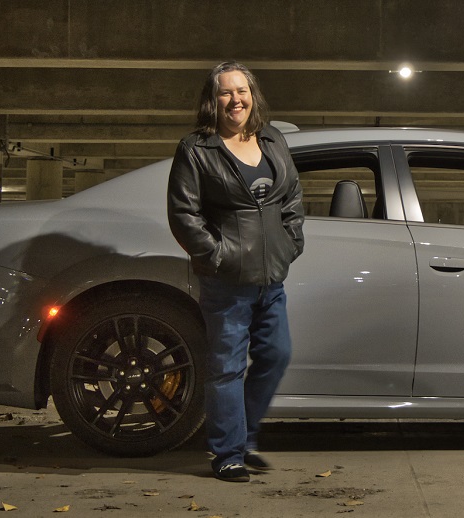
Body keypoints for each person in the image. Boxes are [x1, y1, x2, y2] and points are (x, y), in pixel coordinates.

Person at [166, 61, 304, 482]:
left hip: (270, 279)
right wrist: (217, 256)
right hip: (226, 282)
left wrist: (291, 242)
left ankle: (244, 438)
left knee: (276, 355)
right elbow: (183, 214)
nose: (235, 99)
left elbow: (292, 198)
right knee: (226, 366)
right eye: (225, 93)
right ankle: (227, 453)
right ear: (213, 100)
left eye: (241, 91)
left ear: (252, 96)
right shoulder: (197, 149)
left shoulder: (273, 139)